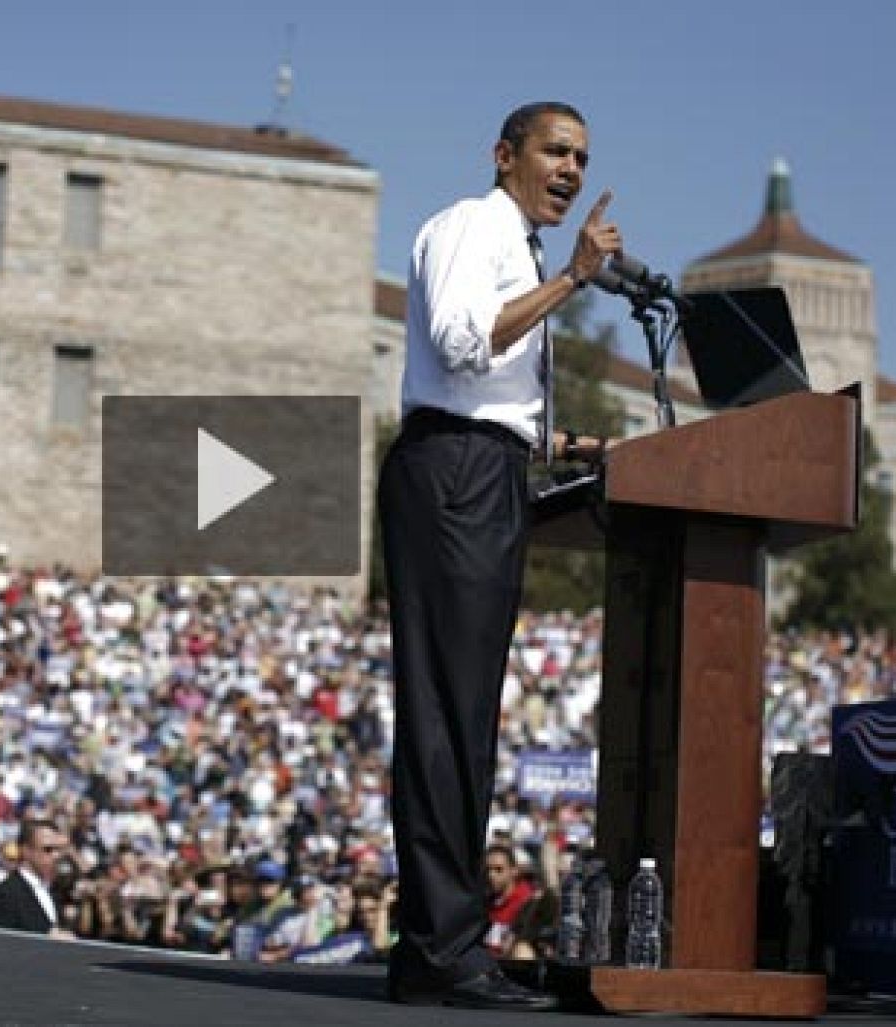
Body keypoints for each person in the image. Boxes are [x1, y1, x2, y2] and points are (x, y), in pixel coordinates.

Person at [377, 100, 620, 1010]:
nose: (571, 169)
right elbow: (458, 345)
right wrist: (574, 282)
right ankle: (444, 948)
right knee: (446, 713)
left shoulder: (518, 248)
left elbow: (490, 396)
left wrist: (562, 447)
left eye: (582, 157)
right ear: (505, 153)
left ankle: (435, 947)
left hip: (487, 469)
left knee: (466, 714)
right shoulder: (468, 227)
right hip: (452, 476)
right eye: (555, 151)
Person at [0, 818, 72, 937]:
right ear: (26, 851)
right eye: (48, 849)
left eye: (58, 850)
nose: (56, 856)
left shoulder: (52, 890)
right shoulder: (5, 894)